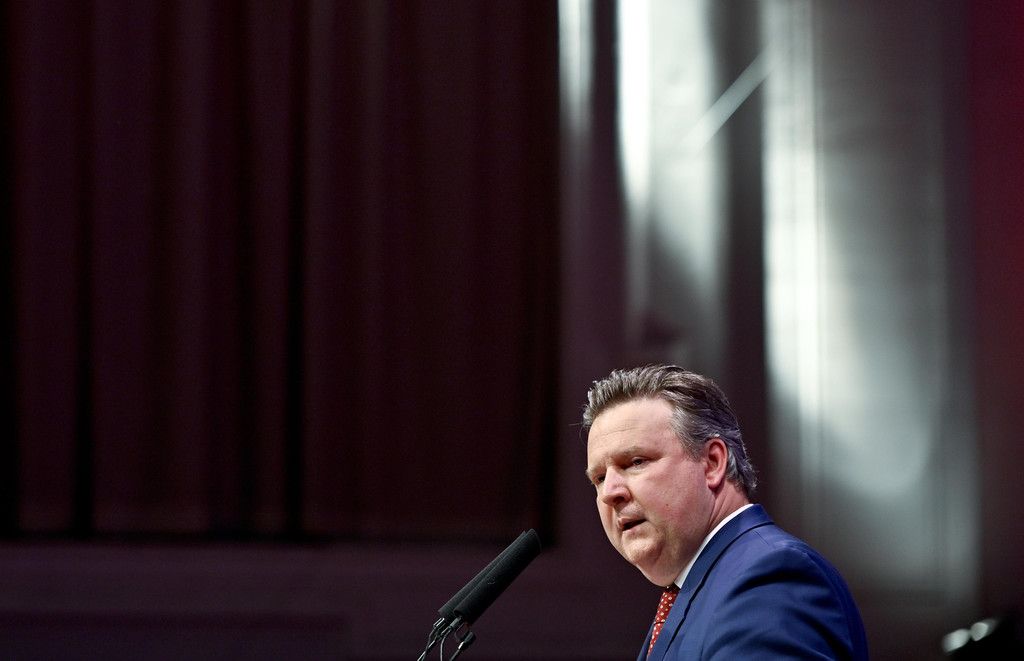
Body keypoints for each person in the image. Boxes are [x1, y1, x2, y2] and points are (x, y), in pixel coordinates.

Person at [583, 365, 869, 660]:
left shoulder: (768, 579)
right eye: (599, 478)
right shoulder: (701, 585)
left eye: (636, 461)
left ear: (712, 463)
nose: (609, 493)